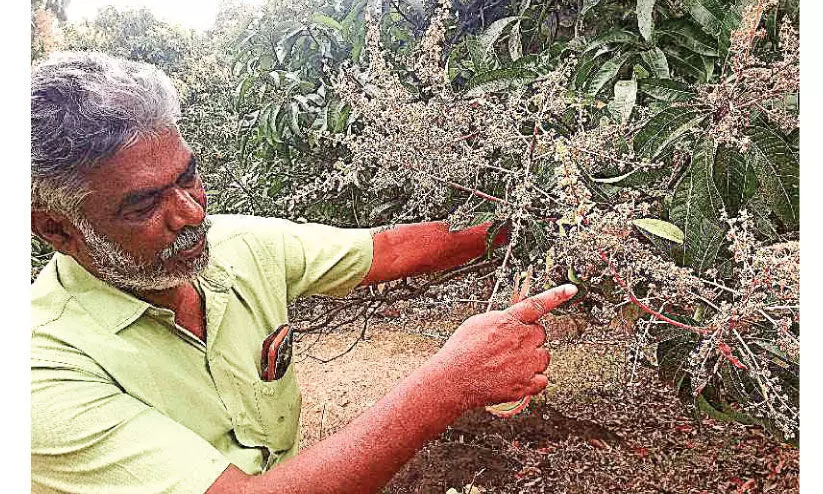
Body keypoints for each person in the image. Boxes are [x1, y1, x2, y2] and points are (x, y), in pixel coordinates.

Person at [31, 51, 577, 494]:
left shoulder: (239, 247)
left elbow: (390, 250)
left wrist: (544, 222)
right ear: (55, 229)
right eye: (143, 204)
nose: (193, 213)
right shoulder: (38, 374)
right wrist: (449, 384)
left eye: (188, 175)